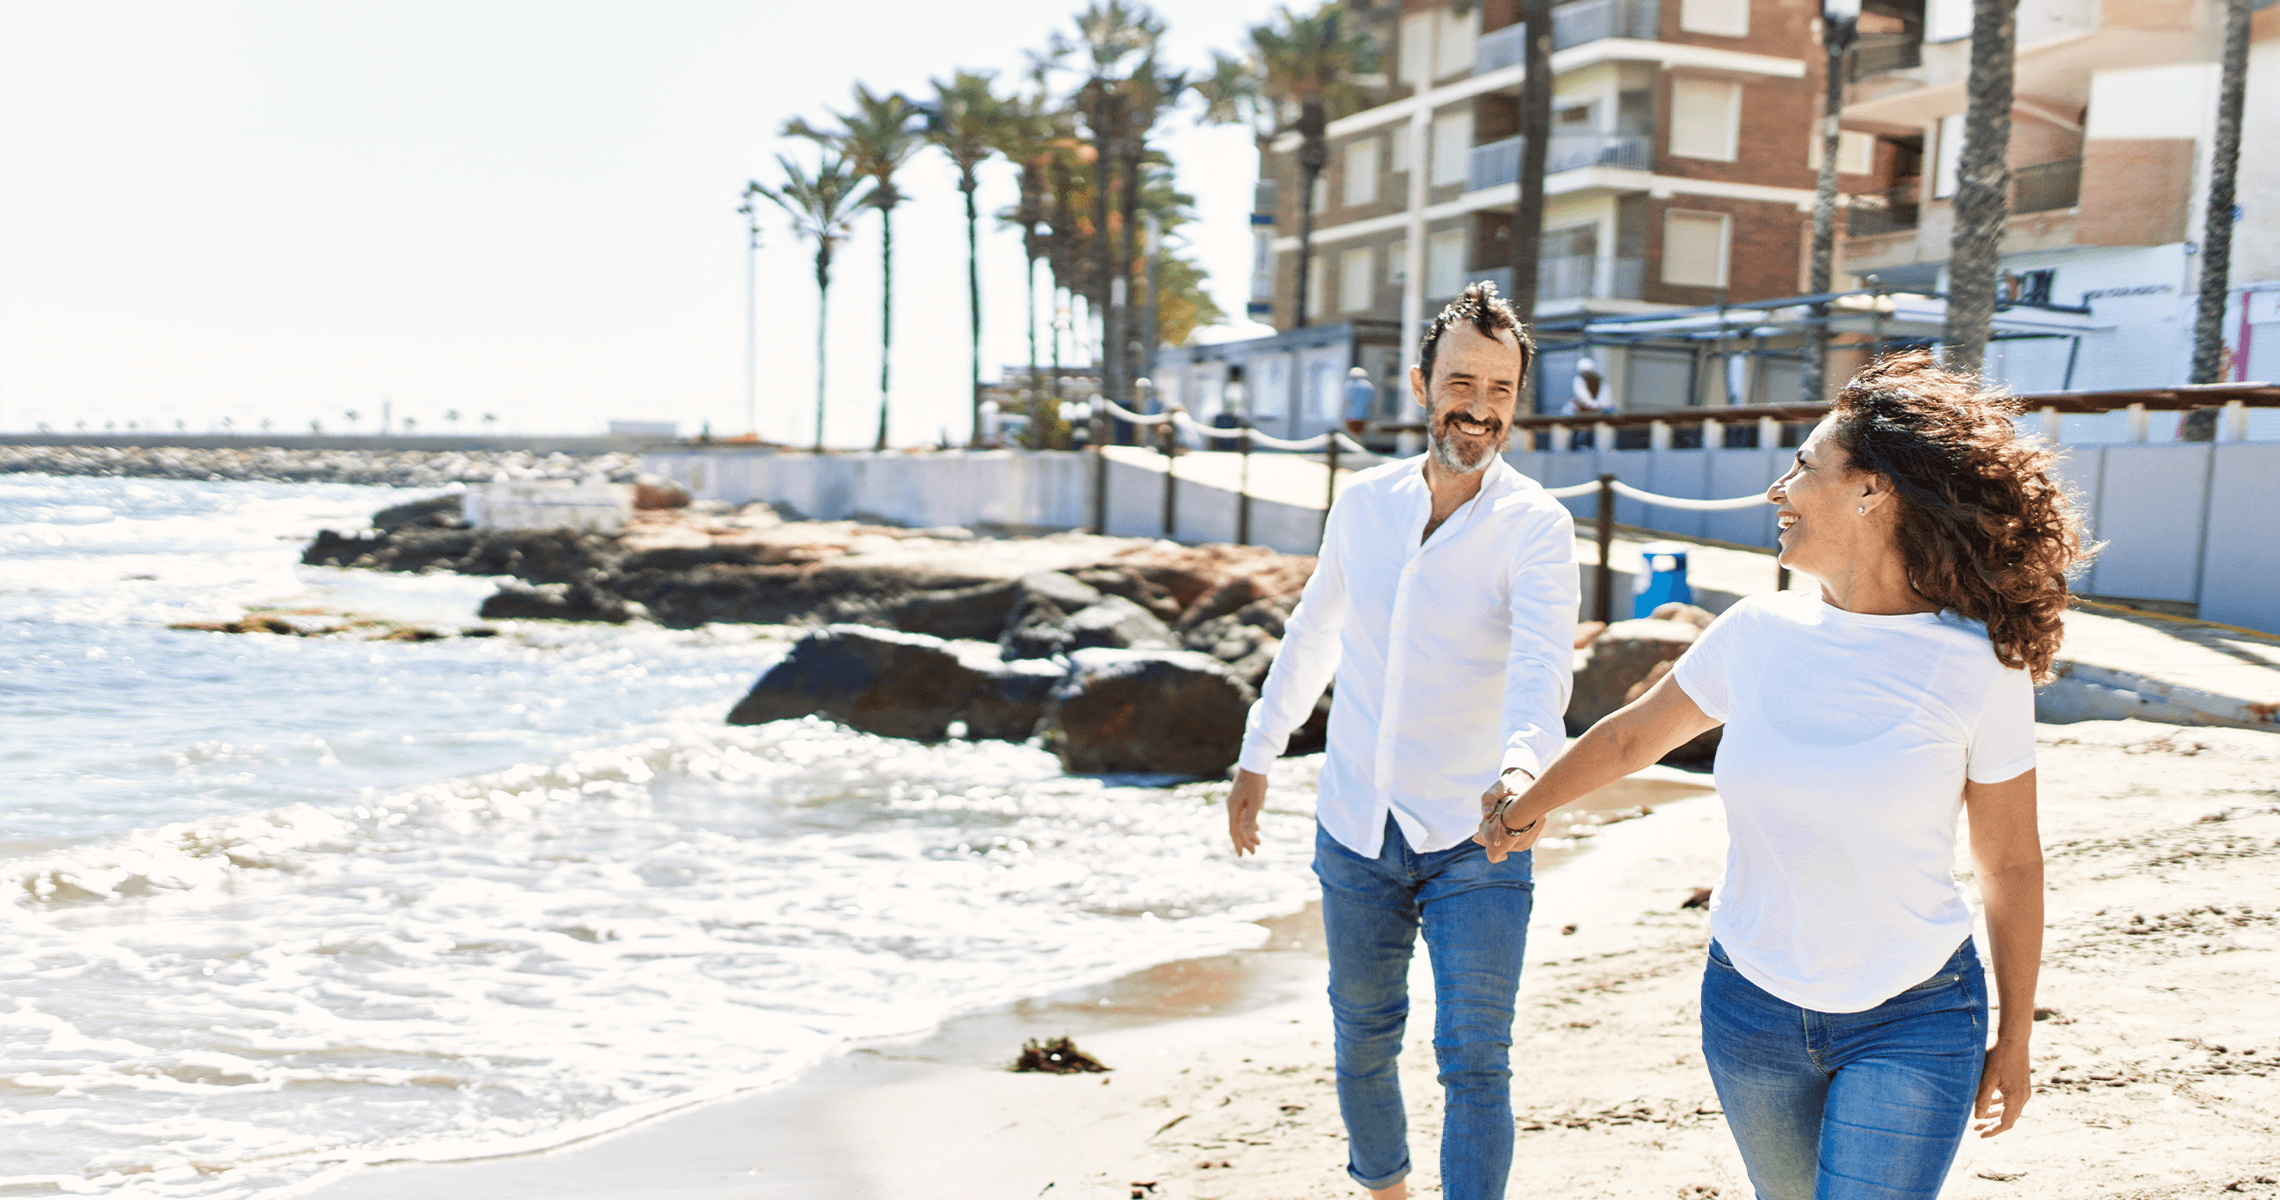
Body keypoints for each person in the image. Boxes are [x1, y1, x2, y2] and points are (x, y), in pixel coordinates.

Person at [1476, 350, 2085, 1199]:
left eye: (1803, 466)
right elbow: (1630, 740)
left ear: (1872, 490)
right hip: (1750, 1010)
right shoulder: (1756, 631)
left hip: (1914, 1014)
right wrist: (1520, 809)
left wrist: (2016, 1035)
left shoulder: (1979, 667)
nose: (1777, 490)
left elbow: (2010, 861)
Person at [1227, 282, 1579, 1200]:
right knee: (1363, 1036)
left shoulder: (1535, 525)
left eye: (1502, 389)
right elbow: (1313, 632)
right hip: (1354, 827)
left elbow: (1542, 666)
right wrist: (1258, 754)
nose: (1481, 407)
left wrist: (1522, 767)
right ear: (1423, 385)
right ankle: (1385, 1191)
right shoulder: (1366, 503)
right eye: (1464, 381)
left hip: (1481, 835)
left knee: (1475, 1060)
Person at [1342, 366, 1376, 436]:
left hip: (1349, 416)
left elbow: (1345, 401)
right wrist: (1372, 417)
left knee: (1351, 436)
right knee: (1360, 435)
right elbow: (1371, 403)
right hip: (1363, 416)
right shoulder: (1368, 386)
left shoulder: (1348, 385)